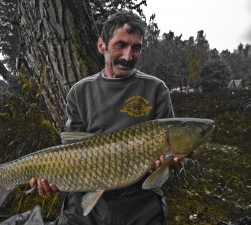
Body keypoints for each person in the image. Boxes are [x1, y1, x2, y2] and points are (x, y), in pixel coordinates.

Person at [30, 10, 176, 225]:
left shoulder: (155, 89)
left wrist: (168, 165)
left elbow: (171, 160)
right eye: (121, 45)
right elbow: (71, 148)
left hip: (139, 199)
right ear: (102, 46)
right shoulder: (79, 91)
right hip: (86, 196)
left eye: (136, 48)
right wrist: (50, 178)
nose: (128, 56)